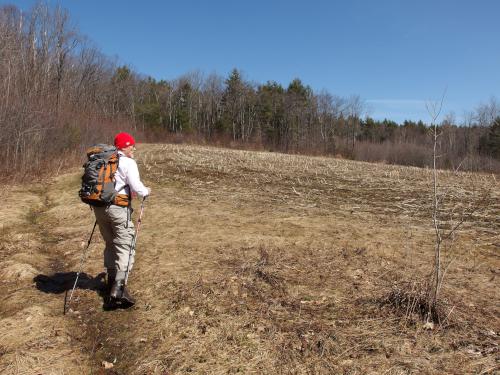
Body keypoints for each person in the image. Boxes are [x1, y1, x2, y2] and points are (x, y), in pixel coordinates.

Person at [93, 132, 150, 306]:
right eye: (131, 145)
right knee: (125, 245)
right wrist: (146, 191)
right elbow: (137, 187)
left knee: (110, 243)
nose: (133, 148)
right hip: (118, 208)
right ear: (124, 146)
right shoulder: (127, 162)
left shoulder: (104, 159)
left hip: (99, 208)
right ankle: (118, 289)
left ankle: (110, 282)